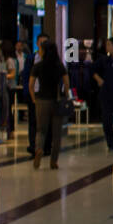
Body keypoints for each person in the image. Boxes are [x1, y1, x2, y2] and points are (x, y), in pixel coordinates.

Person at [29, 41, 68, 170]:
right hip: (56, 101)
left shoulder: (38, 66)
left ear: (44, 51)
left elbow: (31, 84)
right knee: (57, 133)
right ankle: (54, 161)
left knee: (41, 130)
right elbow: (66, 83)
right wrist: (65, 96)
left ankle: (39, 149)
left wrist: (34, 98)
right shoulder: (60, 66)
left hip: (42, 100)